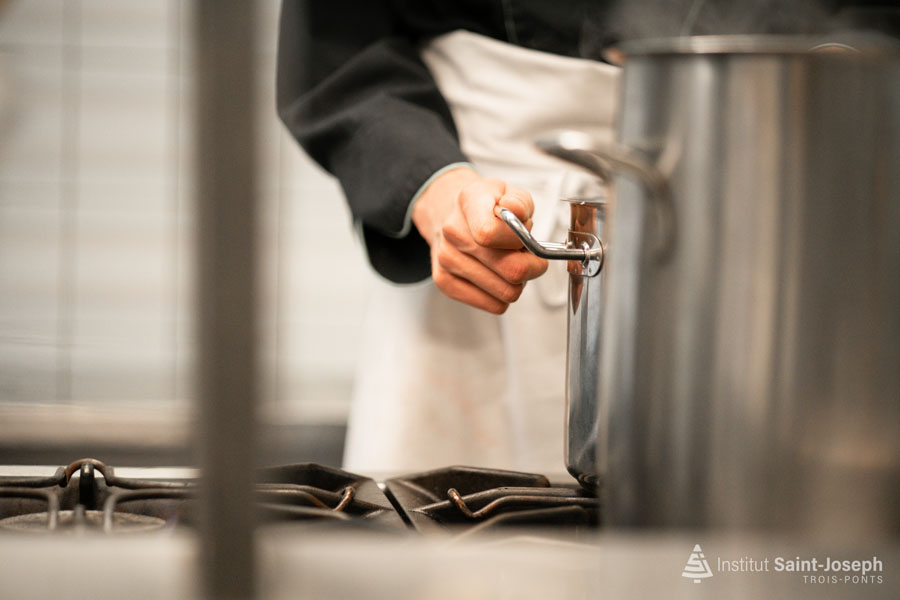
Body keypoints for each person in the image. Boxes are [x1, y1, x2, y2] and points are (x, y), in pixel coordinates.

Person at [276, 0, 894, 473]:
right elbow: (337, 44)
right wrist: (436, 188)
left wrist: (836, 95)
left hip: (756, 234)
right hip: (479, 223)